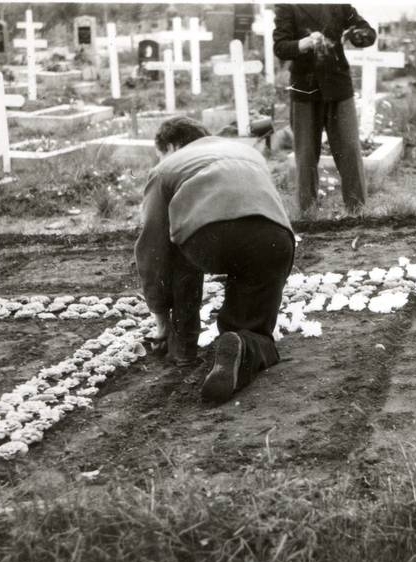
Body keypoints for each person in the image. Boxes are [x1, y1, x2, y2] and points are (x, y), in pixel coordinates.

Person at [134, 117, 295, 404]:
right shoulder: (249, 153)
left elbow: (152, 251)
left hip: (210, 240)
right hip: (274, 239)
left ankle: (183, 348)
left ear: (170, 146)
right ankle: (243, 342)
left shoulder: (166, 168)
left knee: (175, 242)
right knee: (255, 320)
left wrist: (160, 317)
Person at [273, 4, 377, 214]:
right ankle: (308, 215)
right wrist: (305, 43)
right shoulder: (287, 6)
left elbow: (367, 32)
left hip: (338, 86)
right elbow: (280, 48)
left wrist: (357, 34)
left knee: (349, 150)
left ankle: (357, 213)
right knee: (306, 155)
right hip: (305, 89)